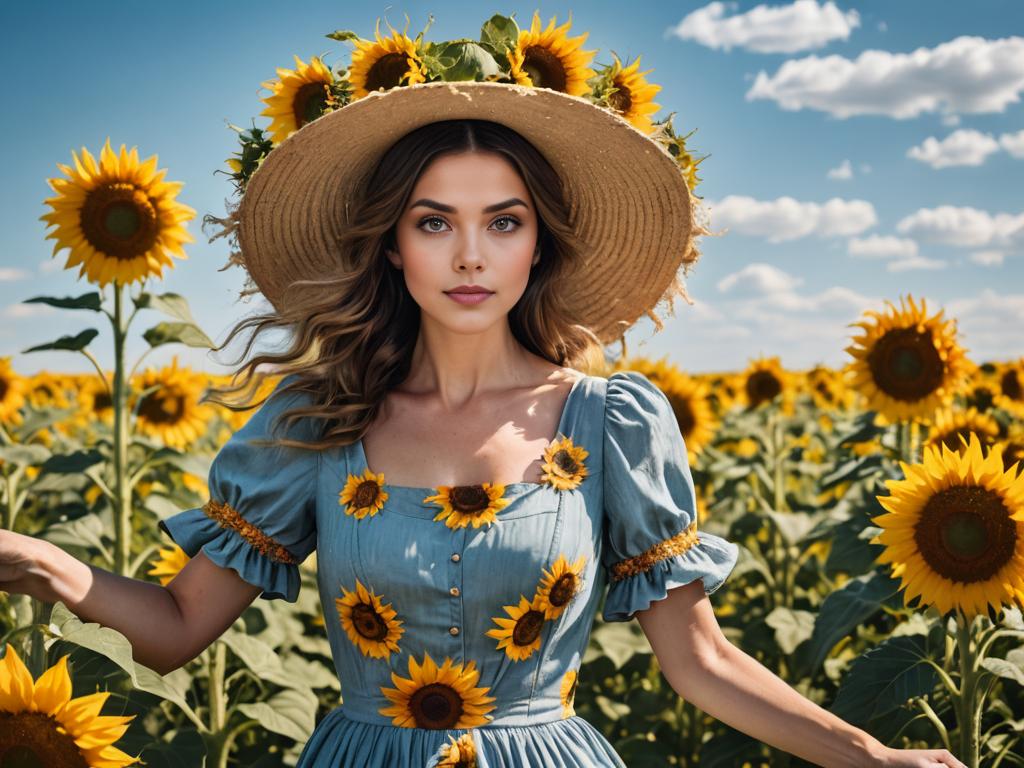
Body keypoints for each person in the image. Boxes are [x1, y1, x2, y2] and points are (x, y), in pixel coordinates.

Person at [0, 79, 965, 767]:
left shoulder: (611, 423)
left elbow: (699, 660)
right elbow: (175, 631)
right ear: (390, 246)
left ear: (538, 244)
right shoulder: (320, 422)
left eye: (503, 221)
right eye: (434, 222)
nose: (471, 255)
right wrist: (49, 565)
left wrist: (867, 754)